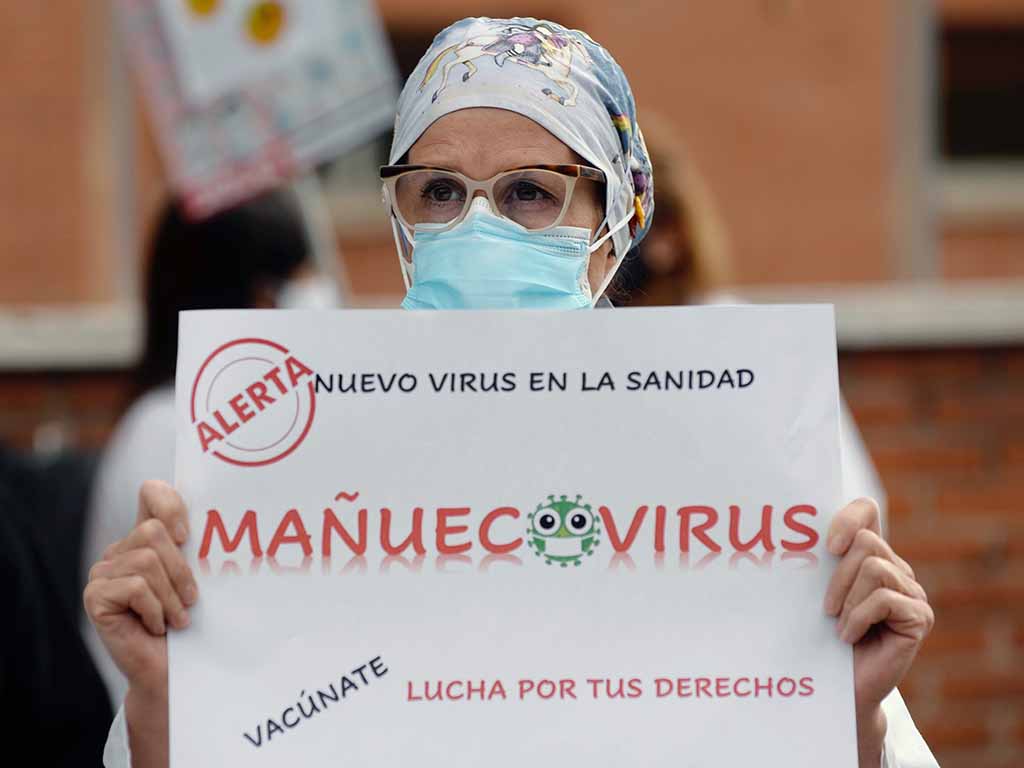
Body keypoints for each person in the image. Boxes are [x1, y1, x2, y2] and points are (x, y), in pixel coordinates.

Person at [86, 17, 937, 768]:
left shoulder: (737, 484)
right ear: (400, 223)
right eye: (439, 193)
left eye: (531, 191)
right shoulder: (282, 491)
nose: (478, 227)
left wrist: (850, 710)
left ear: (614, 227)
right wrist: (165, 699)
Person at [82, 188, 339, 707]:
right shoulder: (172, 432)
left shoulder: (220, 421)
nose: (315, 296)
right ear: (252, 293)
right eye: (294, 281)